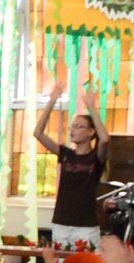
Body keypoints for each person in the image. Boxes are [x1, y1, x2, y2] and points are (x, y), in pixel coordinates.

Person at [34, 72, 109, 251]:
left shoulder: (95, 158)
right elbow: (38, 133)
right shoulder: (66, 154)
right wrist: (52, 100)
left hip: (86, 226)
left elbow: (105, 139)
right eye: (72, 127)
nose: (73, 130)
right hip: (62, 222)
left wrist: (92, 108)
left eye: (79, 126)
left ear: (91, 132)